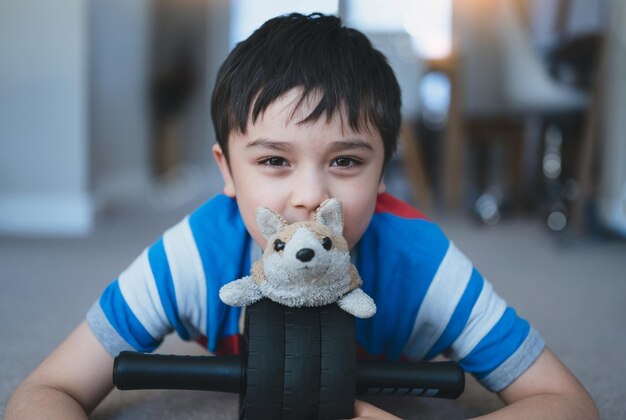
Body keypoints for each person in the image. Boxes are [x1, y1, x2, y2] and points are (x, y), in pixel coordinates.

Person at [5, 13, 598, 419]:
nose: (309, 196)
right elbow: (47, 388)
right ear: (228, 173)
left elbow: (568, 404)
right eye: (273, 160)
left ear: (384, 171)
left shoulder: (423, 265)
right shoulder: (195, 255)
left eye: (345, 160)